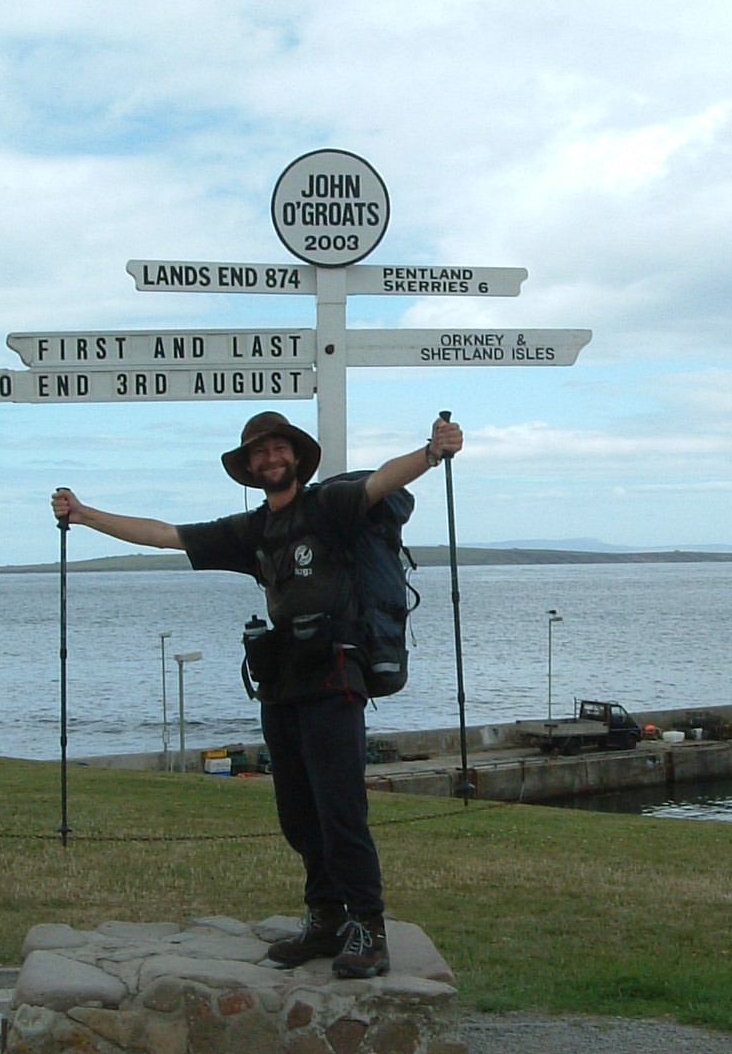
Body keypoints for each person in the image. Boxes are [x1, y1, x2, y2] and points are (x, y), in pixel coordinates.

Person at [51, 409, 462, 980]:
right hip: (282, 688)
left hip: (336, 684)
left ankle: (369, 928)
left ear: (296, 456)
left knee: (342, 810)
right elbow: (165, 535)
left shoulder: (329, 509)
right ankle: (325, 919)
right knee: (298, 814)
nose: (271, 459)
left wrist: (431, 453)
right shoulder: (250, 532)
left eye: (278, 449)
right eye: (259, 453)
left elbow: (382, 481)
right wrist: (86, 514)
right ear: (250, 467)